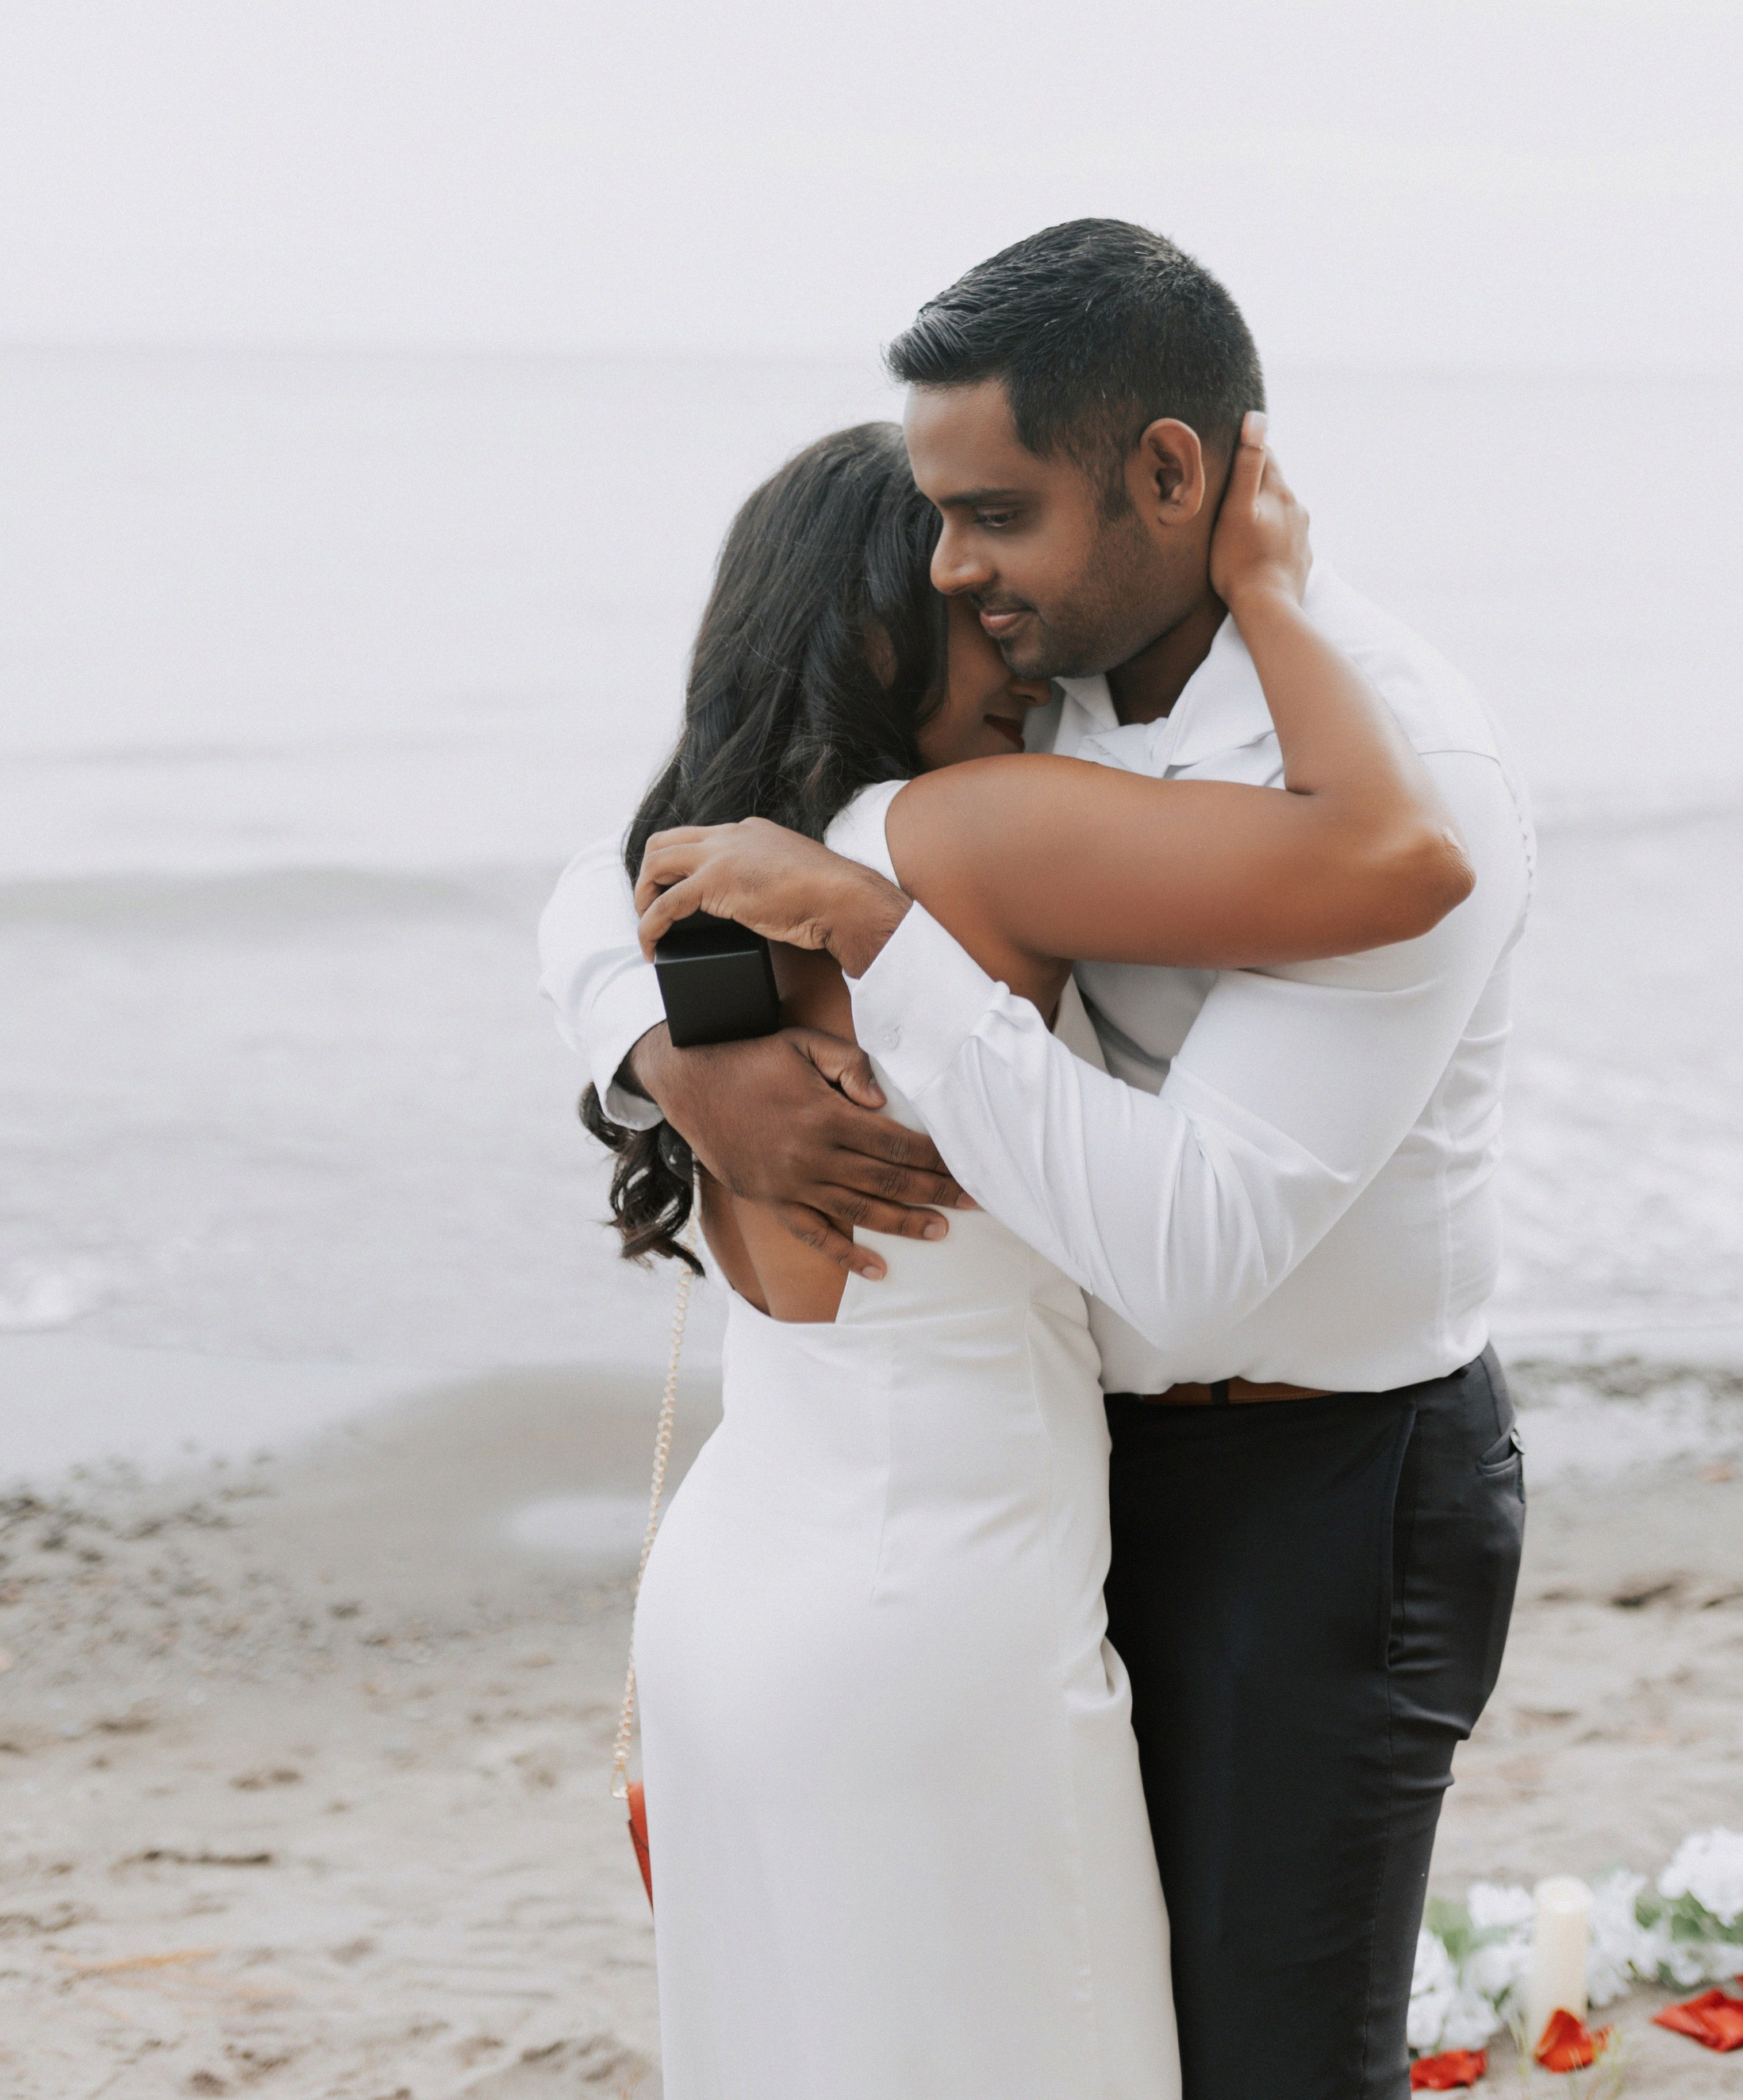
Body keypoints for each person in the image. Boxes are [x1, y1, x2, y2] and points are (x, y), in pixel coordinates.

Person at [542, 218, 1535, 2100]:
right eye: (929, 528)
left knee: (1245, 2057)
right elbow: (603, 879)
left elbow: (1194, 1245)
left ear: (1169, 476)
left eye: (991, 515)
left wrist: (864, 939)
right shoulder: (1030, 703)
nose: (953, 569)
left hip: (1302, 1477)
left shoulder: (1383, 759)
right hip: (1031, 1505)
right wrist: (666, 1047)